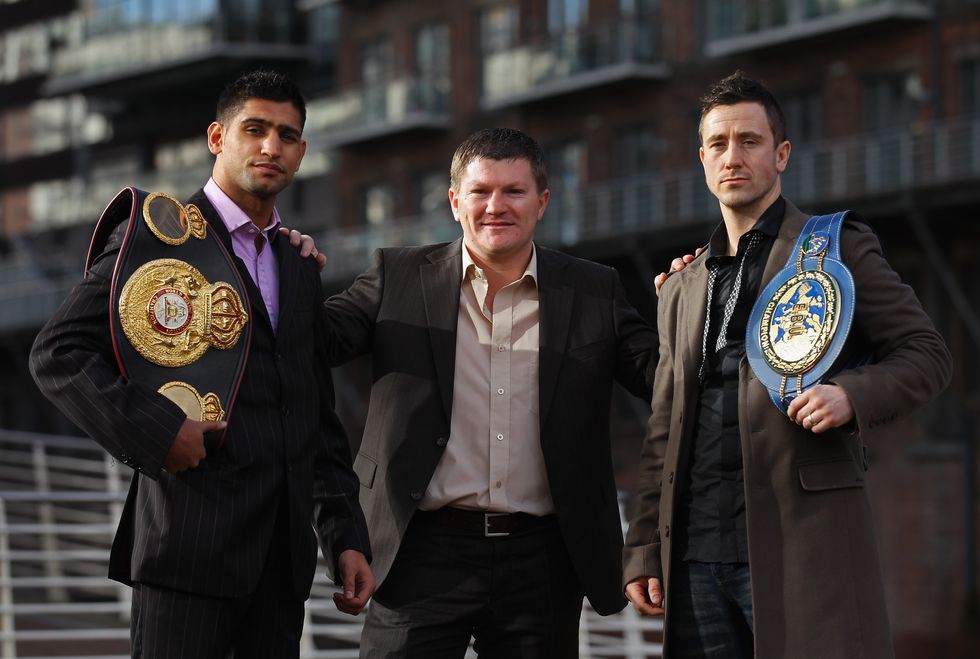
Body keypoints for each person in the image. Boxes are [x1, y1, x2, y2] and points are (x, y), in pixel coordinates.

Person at [29, 70, 374, 659]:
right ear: (217, 138)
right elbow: (56, 353)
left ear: (302, 152)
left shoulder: (297, 264)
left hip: (280, 571)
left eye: (287, 136)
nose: (271, 147)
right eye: (255, 130)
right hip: (187, 554)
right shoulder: (159, 237)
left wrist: (344, 534)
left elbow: (312, 415)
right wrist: (160, 433)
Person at [622, 71, 953, 658]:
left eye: (749, 141)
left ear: (781, 155)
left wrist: (853, 395)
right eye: (719, 144)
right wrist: (645, 545)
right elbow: (663, 428)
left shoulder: (838, 246)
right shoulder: (680, 285)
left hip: (802, 549)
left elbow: (927, 354)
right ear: (702, 160)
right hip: (695, 559)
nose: (733, 157)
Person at [308, 127, 655, 657]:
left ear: (541, 202)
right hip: (418, 550)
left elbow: (663, 376)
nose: (497, 206)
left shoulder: (593, 290)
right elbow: (316, 342)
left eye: (514, 192)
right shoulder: (395, 276)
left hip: (542, 559)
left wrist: (695, 295)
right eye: (480, 191)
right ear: (454, 201)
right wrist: (284, 271)